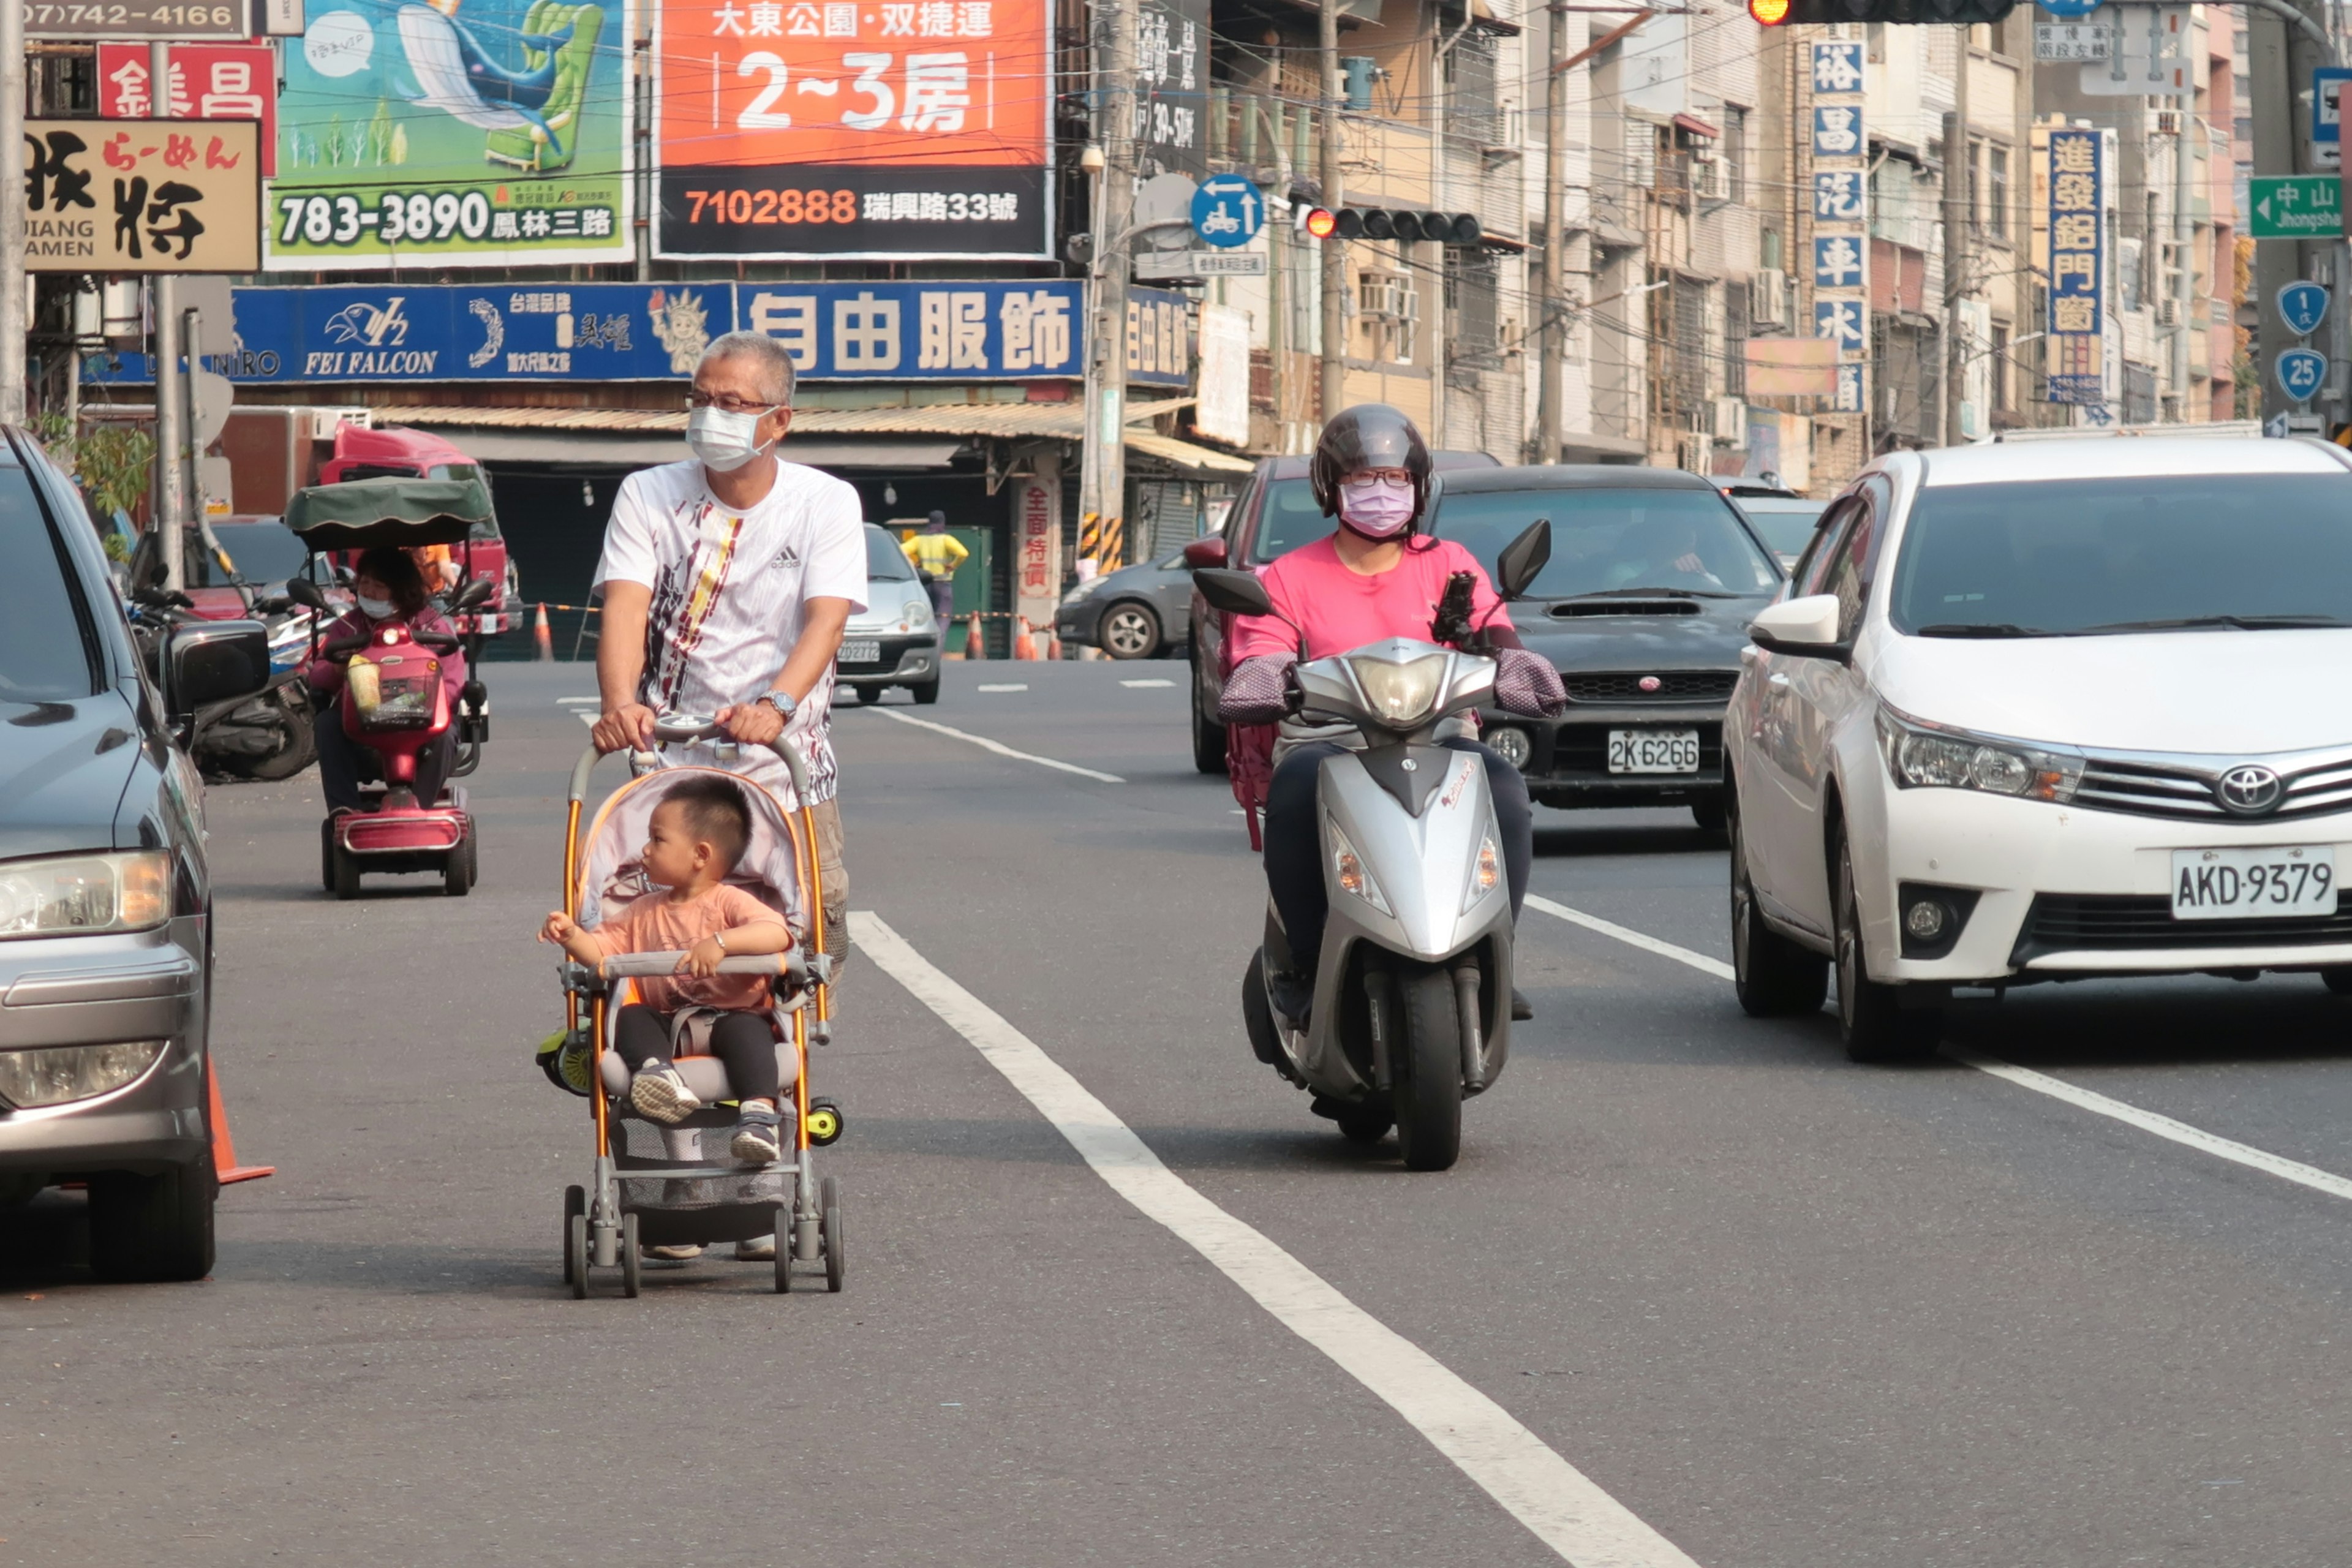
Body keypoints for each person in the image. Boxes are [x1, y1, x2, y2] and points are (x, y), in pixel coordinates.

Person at [1218, 405, 1566, 1028]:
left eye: (1395, 480)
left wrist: (1516, 662)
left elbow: (1494, 627)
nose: (1381, 493)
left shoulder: (1449, 562)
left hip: (1440, 735)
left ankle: (1495, 953)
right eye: (1362, 479)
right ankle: (1303, 961)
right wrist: (1264, 673)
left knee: (1506, 791)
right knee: (1296, 791)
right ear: (1331, 488)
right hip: (1331, 742)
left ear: (1419, 486)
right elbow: (1262, 643)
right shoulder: (1289, 575)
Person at [590, 330, 865, 970]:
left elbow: (826, 621)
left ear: (780, 420)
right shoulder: (649, 494)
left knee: (805, 951)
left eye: (735, 403)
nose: (712, 415)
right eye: (701, 398)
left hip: (787, 768)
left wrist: (776, 704)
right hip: (673, 771)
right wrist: (618, 704)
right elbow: (627, 607)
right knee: (652, 942)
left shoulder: (825, 502)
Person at [539, 775, 794, 1164]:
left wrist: (722, 943)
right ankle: (656, 1074)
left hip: (734, 1016)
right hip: (668, 1025)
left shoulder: (729, 902)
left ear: (701, 855)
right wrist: (572, 935)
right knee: (630, 1014)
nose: (644, 849)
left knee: (751, 1033)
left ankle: (759, 1116)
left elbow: (776, 932)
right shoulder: (643, 910)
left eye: (657, 840)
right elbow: (602, 954)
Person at [303, 546, 467, 815]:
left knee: (446, 734)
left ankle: (419, 811)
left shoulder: (432, 626)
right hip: (360, 724)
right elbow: (318, 674)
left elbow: (452, 683)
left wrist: (416, 702)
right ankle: (343, 812)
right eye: (364, 583)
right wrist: (338, 669)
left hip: (420, 720)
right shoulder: (349, 626)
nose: (368, 592)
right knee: (326, 724)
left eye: (378, 586)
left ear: (401, 591)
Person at [901, 510, 966, 628]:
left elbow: (900, 551)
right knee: (942, 618)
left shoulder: (919, 540)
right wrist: (953, 565)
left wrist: (912, 565)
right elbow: (963, 553)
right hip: (942, 584)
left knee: (925, 618)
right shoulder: (946, 539)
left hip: (925, 585)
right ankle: (938, 646)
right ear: (943, 522)